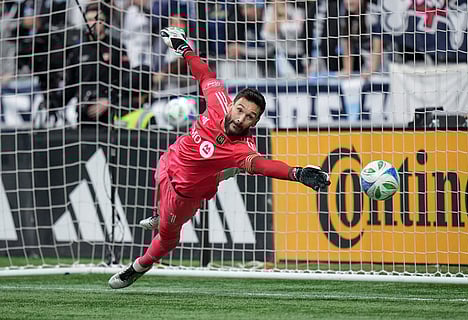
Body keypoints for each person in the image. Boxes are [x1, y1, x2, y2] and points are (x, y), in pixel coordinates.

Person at [108, 27, 331, 289]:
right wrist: (184, 48)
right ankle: (163, 211)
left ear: (256, 121)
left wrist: (297, 173)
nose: (240, 119)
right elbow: (204, 74)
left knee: (168, 241)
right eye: (239, 110)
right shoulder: (217, 100)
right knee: (164, 191)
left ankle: (139, 266)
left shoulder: (243, 147)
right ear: (231, 104)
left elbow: (264, 165)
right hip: (169, 160)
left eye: (250, 117)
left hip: (184, 194)